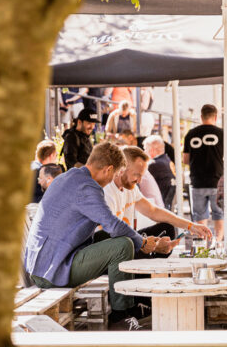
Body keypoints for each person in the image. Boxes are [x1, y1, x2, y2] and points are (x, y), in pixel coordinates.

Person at [25, 141, 167, 327]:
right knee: (122, 245)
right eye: (114, 174)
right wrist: (143, 242)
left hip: (44, 263)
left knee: (118, 240)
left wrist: (141, 240)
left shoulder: (68, 177)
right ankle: (121, 316)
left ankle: (131, 305)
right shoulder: (87, 188)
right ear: (108, 170)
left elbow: (110, 229)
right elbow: (113, 225)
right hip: (52, 270)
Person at [104, 145, 212, 244]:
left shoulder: (130, 189)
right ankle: (148, 252)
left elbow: (153, 211)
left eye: (142, 176)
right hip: (112, 242)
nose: (140, 181)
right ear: (121, 169)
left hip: (128, 239)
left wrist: (191, 226)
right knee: (128, 243)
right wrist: (145, 243)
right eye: (136, 175)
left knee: (167, 229)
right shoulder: (106, 191)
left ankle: (148, 251)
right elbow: (111, 234)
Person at [183, 104, 224, 239]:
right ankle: (218, 243)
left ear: (201, 117)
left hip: (197, 181)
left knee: (200, 215)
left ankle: (203, 244)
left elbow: (185, 159)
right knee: (219, 214)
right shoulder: (221, 133)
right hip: (217, 181)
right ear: (216, 117)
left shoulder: (191, 134)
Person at [143, 134, 176, 209]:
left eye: (145, 149)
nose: (144, 152)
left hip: (158, 205)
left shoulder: (154, 165)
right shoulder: (167, 160)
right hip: (166, 203)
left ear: (152, 150)